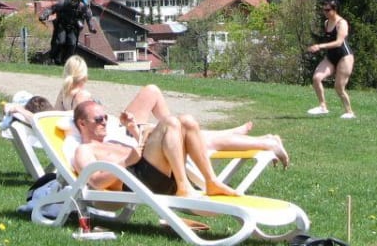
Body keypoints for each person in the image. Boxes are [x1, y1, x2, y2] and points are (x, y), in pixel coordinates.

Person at [57, 55, 289, 166]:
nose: (101, 119)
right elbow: (91, 132)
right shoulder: (83, 98)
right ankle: (260, 140)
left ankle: (181, 129)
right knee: (193, 137)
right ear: (84, 73)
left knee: (152, 90)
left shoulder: (62, 96)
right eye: (100, 117)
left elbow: (54, 117)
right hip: (121, 137)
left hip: (122, 133)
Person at [72, 99, 239, 197]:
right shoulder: (84, 150)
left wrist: (134, 130)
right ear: (82, 123)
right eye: (99, 119)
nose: (105, 122)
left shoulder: (113, 142)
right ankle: (183, 186)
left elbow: (144, 154)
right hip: (135, 182)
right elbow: (94, 182)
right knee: (170, 122)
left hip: (153, 174)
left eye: (106, 117)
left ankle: (211, 181)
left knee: (187, 121)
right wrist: (126, 162)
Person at [306, 0, 355, 119]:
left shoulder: (341, 23)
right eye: (324, 9)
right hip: (331, 56)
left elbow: (339, 42)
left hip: (345, 57)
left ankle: (349, 112)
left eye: (328, 10)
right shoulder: (326, 23)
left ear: (335, 9)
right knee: (316, 78)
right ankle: (322, 107)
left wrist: (319, 46)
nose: (325, 12)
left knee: (339, 87)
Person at [39, 0, 98, 65]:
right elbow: (51, 9)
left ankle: (66, 61)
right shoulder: (62, 3)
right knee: (60, 41)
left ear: (79, 1)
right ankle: (53, 58)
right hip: (61, 25)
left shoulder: (83, 8)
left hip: (73, 28)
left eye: (76, 0)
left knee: (72, 44)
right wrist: (44, 15)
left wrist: (92, 28)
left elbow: (89, 18)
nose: (73, 2)